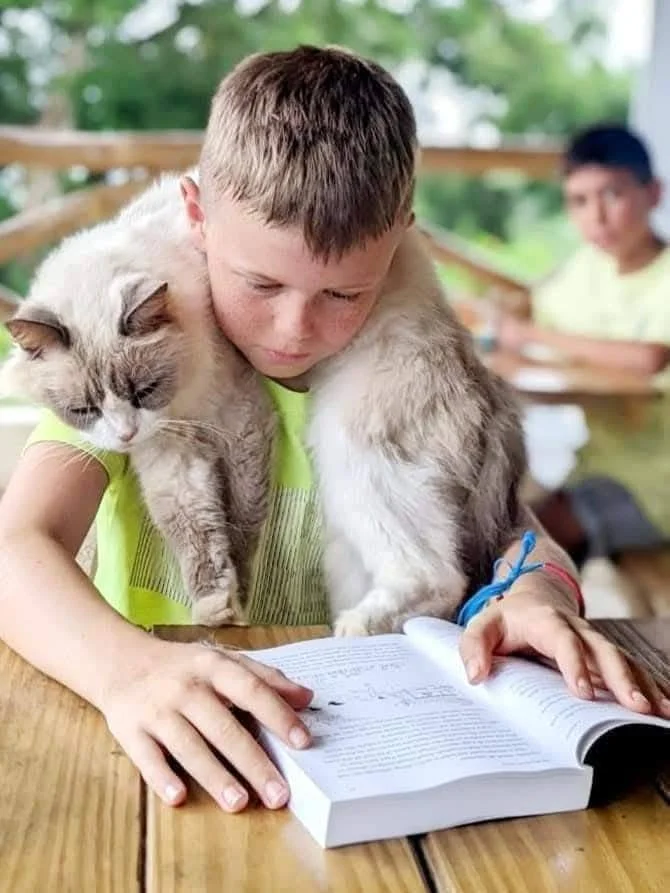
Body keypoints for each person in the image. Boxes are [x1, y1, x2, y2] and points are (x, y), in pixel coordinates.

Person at [0, 54, 666, 817]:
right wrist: (126, 672)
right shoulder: (137, 353)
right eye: (261, 283)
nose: (295, 329)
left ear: (399, 239)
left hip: (372, 764)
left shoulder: (407, 359)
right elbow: (15, 546)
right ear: (195, 213)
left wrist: (543, 594)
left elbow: (519, 535)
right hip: (161, 755)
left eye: (345, 291)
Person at [496, 124, 670, 566]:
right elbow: (530, 309)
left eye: (612, 194)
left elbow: (650, 357)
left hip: (657, 483)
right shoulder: (588, 268)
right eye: (579, 201)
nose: (597, 216)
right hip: (598, 464)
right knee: (495, 510)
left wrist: (532, 335)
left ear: (654, 193)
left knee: (527, 538)